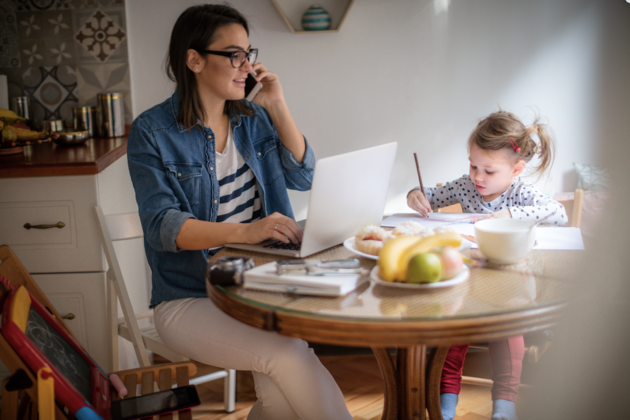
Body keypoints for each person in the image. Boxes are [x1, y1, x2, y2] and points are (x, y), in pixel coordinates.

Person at [127, 5, 353, 420]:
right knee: (287, 354)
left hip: (263, 283)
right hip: (190, 296)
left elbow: (304, 176)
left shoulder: (253, 118)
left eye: (249, 53)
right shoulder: (151, 132)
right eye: (234, 54)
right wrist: (247, 231)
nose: (247, 65)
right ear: (194, 60)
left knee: (279, 401)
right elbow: (164, 226)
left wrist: (278, 104)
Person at [407, 110, 567, 420]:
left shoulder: (522, 193)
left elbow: (557, 213)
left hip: (513, 285)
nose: (478, 177)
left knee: (506, 330)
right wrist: (415, 195)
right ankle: (446, 402)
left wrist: (510, 215)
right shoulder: (466, 185)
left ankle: (504, 406)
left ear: (516, 168)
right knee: (452, 330)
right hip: (466, 282)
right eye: (473, 165)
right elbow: (431, 194)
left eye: (489, 171)